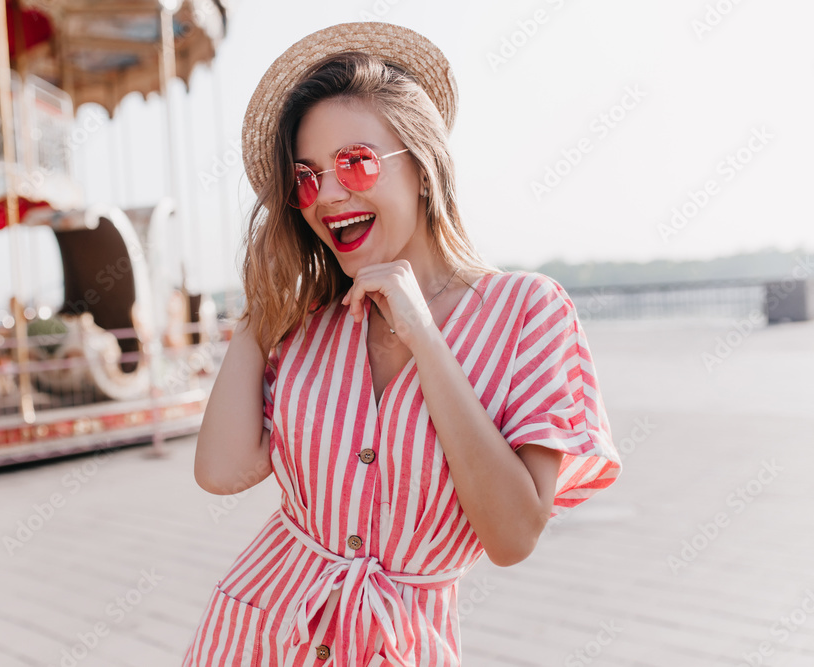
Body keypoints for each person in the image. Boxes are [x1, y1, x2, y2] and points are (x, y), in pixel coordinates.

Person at [185, 22, 622, 667]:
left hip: (399, 645)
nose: (329, 193)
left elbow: (513, 533)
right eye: (306, 179)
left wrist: (422, 331)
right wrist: (264, 299)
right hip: (255, 635)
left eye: (355, 162)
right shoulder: (307, 324)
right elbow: (220, 471)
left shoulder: (529, 311)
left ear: (421, 169)